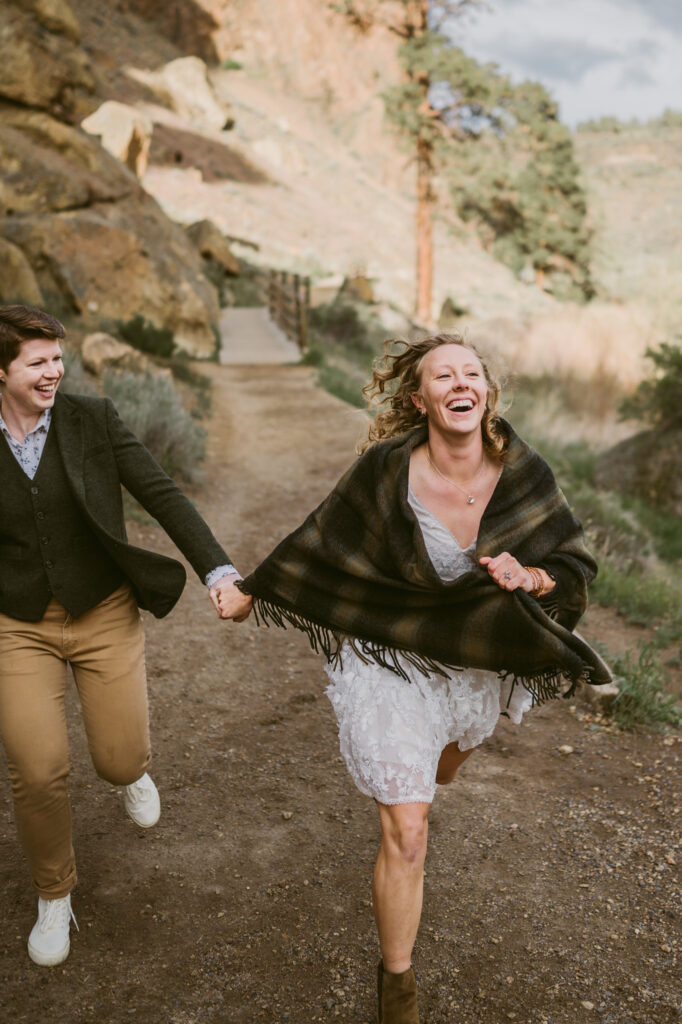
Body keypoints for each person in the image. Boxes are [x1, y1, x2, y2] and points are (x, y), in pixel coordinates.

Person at [225, 333, 610, 1024]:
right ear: (419, 398)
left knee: (440, 772)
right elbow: (319, 538)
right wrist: (253, 591)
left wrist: (532, 575)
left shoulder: (523, 471)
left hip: (473, 660)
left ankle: (424, 767)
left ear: (485, 392)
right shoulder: (385, 469)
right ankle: (397, 988)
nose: (460, 383)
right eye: (444, 376)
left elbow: (574, 563)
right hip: (387, 657)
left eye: (472, 373)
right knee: (409, 828)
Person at [0, 304, 248, 967]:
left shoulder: (91, 420)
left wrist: (219, 572)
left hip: (103, 609)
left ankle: (131, 773)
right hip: (16, 623)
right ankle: (55, 894)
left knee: (116, 758)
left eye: (58, 358)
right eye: (37, 362)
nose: (54, 372)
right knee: (37, 770)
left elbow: (162, 494)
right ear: (1, 370)